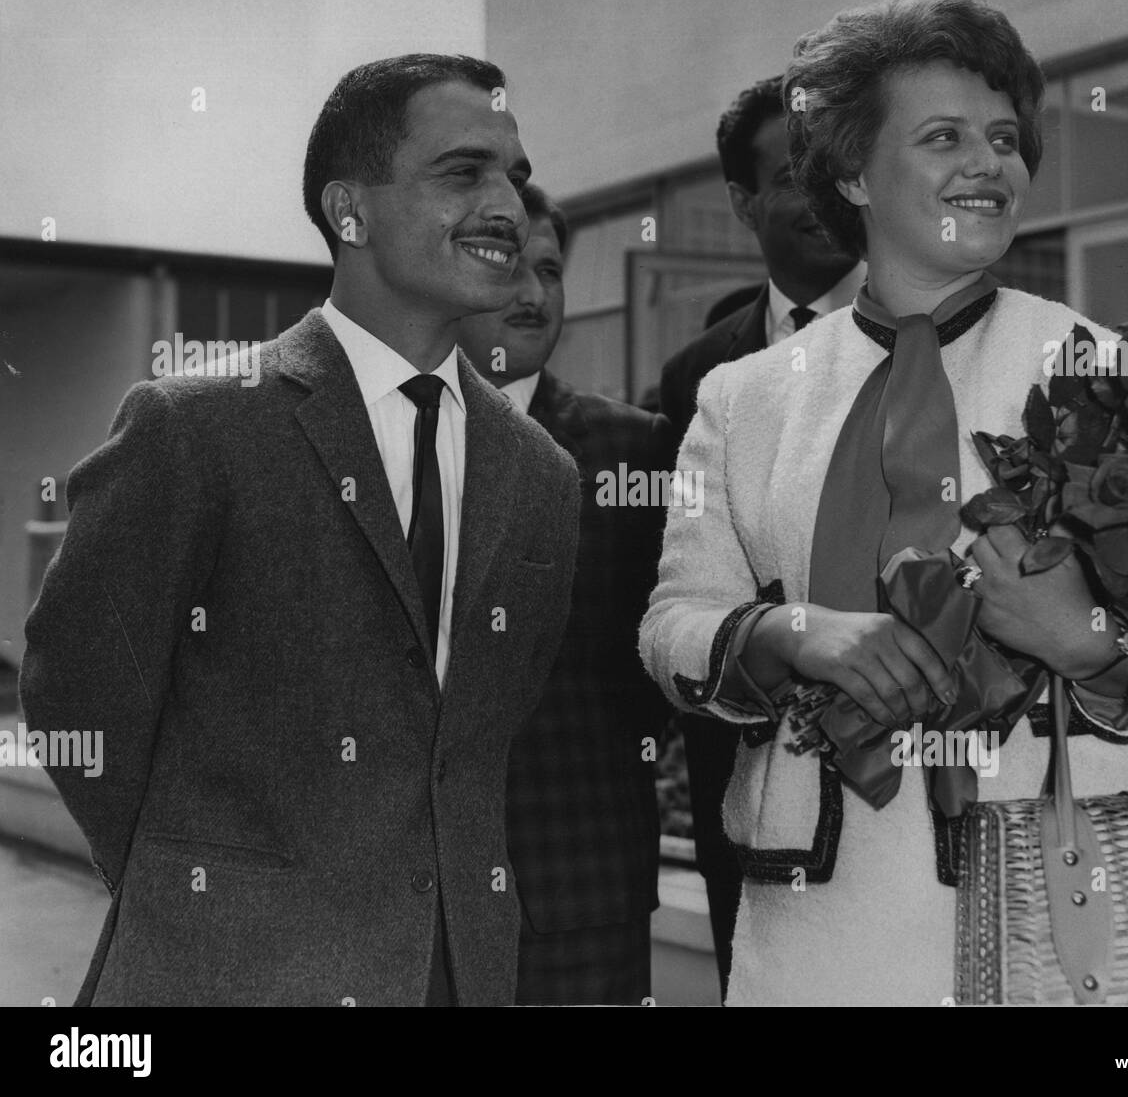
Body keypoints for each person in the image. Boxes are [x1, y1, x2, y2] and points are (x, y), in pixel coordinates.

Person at [639, 0, 1128, 1006]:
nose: (991, 165)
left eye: (1006, 139)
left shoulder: (1109, 370)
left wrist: (1087, 639)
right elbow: (673, 624)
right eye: (944, 137)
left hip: (1070, 912)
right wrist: (793, 631)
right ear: (850, 170)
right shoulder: (743, 395)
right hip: (817, 922)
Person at [20, 54, 580, 1006]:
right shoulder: (193, 427)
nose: (507, 207)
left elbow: (474, 748)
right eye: (463, 171)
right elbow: (77, 692)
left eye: (513, 178)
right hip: (224, 971)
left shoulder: (542, 476)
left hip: (462, 974)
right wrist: (196, 879)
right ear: (349, 210)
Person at [656, 73, 866, 996]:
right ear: (742, 201)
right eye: (792, 175)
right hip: (744, 795)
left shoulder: (948, 334)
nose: (823, 196)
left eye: (838, 169)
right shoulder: (700, 372)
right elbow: (681, 588)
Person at [459, 183, 674, 1005]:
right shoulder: (375, 445)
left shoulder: (632, 448)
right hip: (404, 907)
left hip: (579, 891)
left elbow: (656, 668)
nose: (534, 291)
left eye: (549, 268)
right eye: (507, 264)